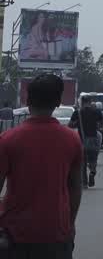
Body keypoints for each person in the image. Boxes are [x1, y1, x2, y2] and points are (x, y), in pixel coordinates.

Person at [0, 73, 82, 258]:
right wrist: (70, 224)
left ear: (28, 101)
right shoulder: (72, 140)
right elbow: (75, 187)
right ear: (58, 102)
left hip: (15, 237)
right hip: (57, 236)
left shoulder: (8, 140)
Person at [68, 95, 103, 187]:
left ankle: (84, 183)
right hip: (94, 140)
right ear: (90, 101)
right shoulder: (97, 112)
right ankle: (92, 172)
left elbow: (70, 125)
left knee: (83, 162)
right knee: (93, 160)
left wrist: (77, 124)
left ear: (82, 102)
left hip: (81, 141)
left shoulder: (78, 113)